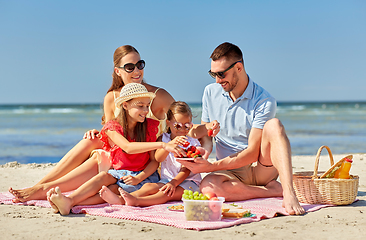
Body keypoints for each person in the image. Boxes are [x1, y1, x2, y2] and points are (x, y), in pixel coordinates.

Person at [9, 45, 176, 202]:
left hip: (147, 159)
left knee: (100, 156)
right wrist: (99, 131)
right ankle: (40, 186)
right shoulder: (112, 97)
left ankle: (43, 189)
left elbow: (183, 121)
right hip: (122, 157)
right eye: (130, 67)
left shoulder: (157, 95)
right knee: (93, 140)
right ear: (117, 71)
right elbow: (113, 131)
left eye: (140, 65)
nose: (137, 71)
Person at [177, 42, 305, 215]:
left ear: (238, 67)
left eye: (221, 74)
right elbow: (203, 135)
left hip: (260, 168)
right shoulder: (210, 92)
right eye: (213, 74)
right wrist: (205, 141)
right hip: (229, 171)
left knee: (274, 125)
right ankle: (273, 191)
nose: (217, 80)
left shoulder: (264, 100)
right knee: (207, 187)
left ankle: (288, 192)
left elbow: (252, 153)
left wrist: (210, 167)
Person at [46, 83, 185, 215]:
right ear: (125, 105)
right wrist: (162, 145)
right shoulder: (112, 127)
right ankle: (69, 200)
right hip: (120, 173)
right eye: (140, 106)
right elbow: (127, 147)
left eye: (147, 106)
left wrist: (139, 178)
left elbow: (154, 161)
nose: (145, 111)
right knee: (103, 177)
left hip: (143, 176)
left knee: (111, 190)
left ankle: (70, 203)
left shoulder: (149, 127)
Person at [99, 101, 211, 207]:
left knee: (165, 193)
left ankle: (132, 201)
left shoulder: (191, 143)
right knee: (148, 187)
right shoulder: (163, 138)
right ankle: (125, 198)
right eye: (177, 126)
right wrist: (168, 146)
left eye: (187, 126)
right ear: (168, 123)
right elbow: (158, 158)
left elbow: (186, 170)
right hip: (167, 180)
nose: (182, 130)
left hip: (188, 182)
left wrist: (173, 183)